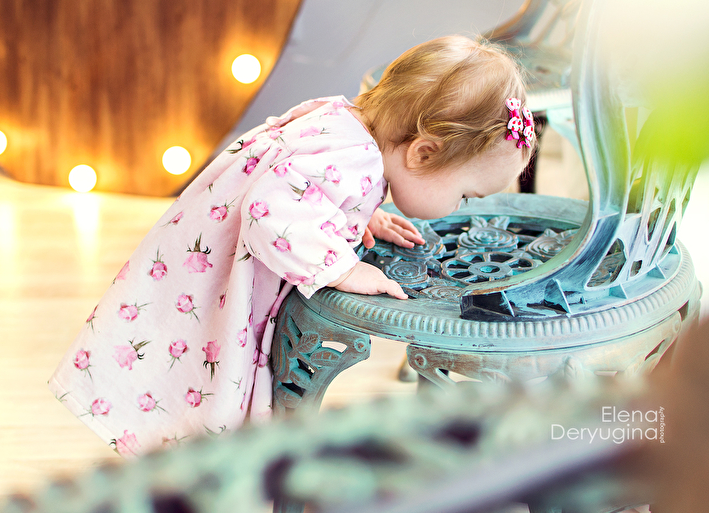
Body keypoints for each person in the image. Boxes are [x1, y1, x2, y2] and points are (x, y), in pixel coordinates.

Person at [48, 35, 535, 457]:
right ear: (423, 153)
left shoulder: (350, 127)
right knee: (201, 376)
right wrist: (343, 268)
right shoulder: (355, 161)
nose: (459, 206)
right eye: (466, 194)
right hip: (217, 282)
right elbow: (270, 211)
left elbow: (311, 188)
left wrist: (359, 214)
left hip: (204, 261)